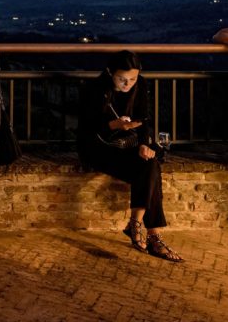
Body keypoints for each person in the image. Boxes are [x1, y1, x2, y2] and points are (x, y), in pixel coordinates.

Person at [77, 50, 183, 262]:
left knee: (150, 162)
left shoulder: (140, 85)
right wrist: (112, 125)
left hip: (127, 146)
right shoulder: (95, 89)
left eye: (132, 79)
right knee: (151, 169)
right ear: (110, 73)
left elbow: (144, 120)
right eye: (122, 79)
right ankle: (152, 236)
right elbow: (86, 128)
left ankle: (139, 226)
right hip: (100, 148)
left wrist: (144, 144)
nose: (127, 84)